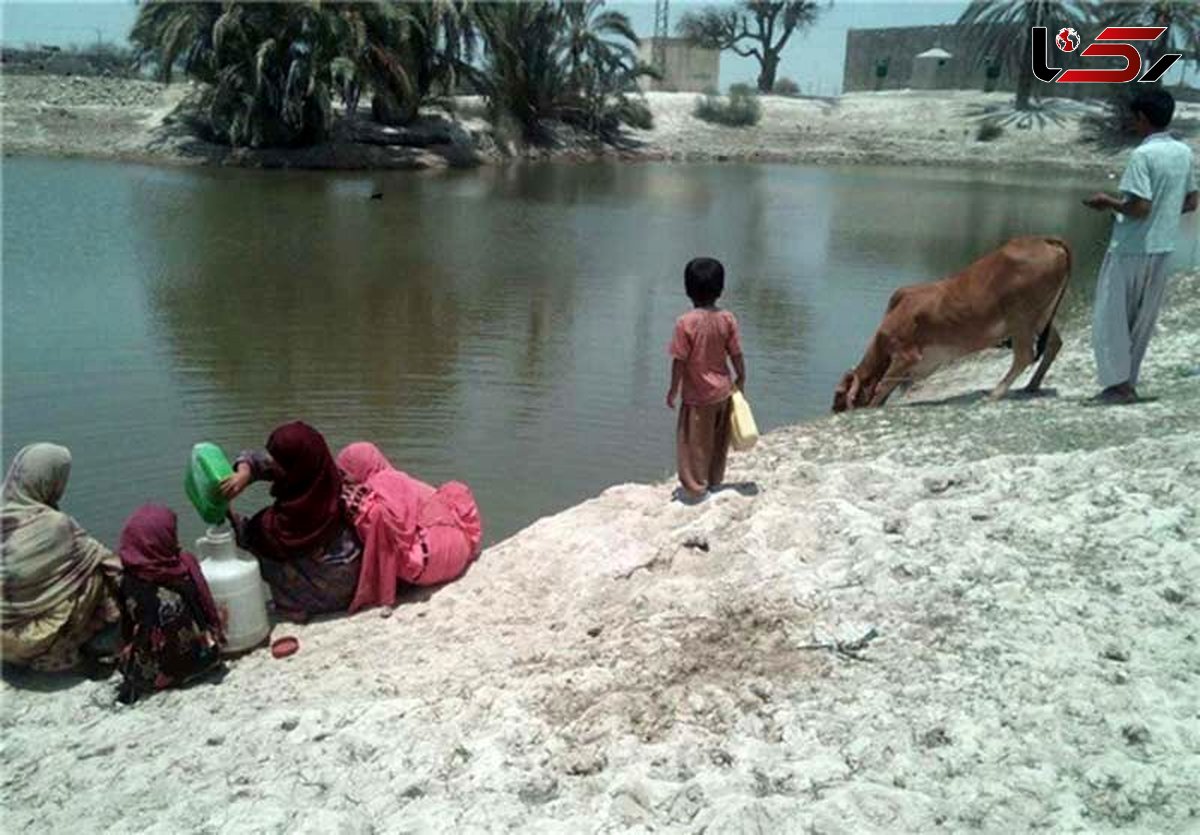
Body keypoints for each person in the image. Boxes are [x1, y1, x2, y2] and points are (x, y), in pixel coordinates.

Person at [1083, 88, 1198, 405]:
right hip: (1163, 248)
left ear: (1143, 119)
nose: (1133, 124)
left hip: (1130, 248)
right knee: (1142, 320)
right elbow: (1191, 202)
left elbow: (1140, 207)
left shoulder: (1142, 156)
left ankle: (1116, 386)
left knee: (1112, 319)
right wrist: (1163, 211)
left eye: (1134, 118)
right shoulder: (1183, 153)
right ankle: (1128, 383)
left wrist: (1108, 202)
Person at [219, 421, 362, 622]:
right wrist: (244, 473)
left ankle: (291, 605)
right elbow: (260, 459)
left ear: (291, 466)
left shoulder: (281, 525)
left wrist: (225, 511)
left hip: (323, 597)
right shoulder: (330, 480)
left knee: (261, 541)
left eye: (278, 461)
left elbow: (245, 534)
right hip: (354, 580)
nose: (272, 464)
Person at [0, 443, 122, 672]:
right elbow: (111, 565)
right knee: (95, 569)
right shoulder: (55, 525)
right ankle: (82, 644)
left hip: (4, 642)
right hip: (33, 643)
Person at [336, 442, 482, 613]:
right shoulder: (403, 479)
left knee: (376, 518)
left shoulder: (377, 488)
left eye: (345, 472)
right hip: (460, 552)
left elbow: (384, 532)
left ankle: (387, 595)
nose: (344, 478)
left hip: (429, 566)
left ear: (358, 467)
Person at [115, 504, 224, 704]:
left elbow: (127, 624)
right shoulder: (177, 577)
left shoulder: (128, 577)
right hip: (182, 665)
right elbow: (200, 607)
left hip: (143, 669)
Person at [665, 257, 746, 500]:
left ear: (688, 289)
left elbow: (679, 360)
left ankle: (695, 487)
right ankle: (713, 481)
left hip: (698, 396)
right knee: (717, 442)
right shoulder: (727, 319)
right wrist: (742, 376)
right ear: (720, 289)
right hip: (723, 391)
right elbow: (736, 352)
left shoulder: (685, 323)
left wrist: (673, 389)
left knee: (693, 444)